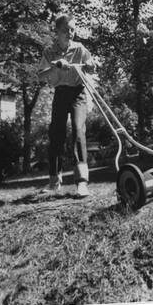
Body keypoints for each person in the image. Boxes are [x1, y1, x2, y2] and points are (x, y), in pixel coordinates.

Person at [38, 13, 96, 197]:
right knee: (56, 134)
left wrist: (90, 65)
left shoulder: (79, 48)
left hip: (78, 93)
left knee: (79, 131)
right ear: (57, 31)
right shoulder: (49, 52)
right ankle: (54, 181)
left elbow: (91, 66)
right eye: (66, 30)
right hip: (60, 94)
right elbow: (40, 75)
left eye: (72, 29)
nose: (70, 33)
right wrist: (55, 67)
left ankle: (82, 182)